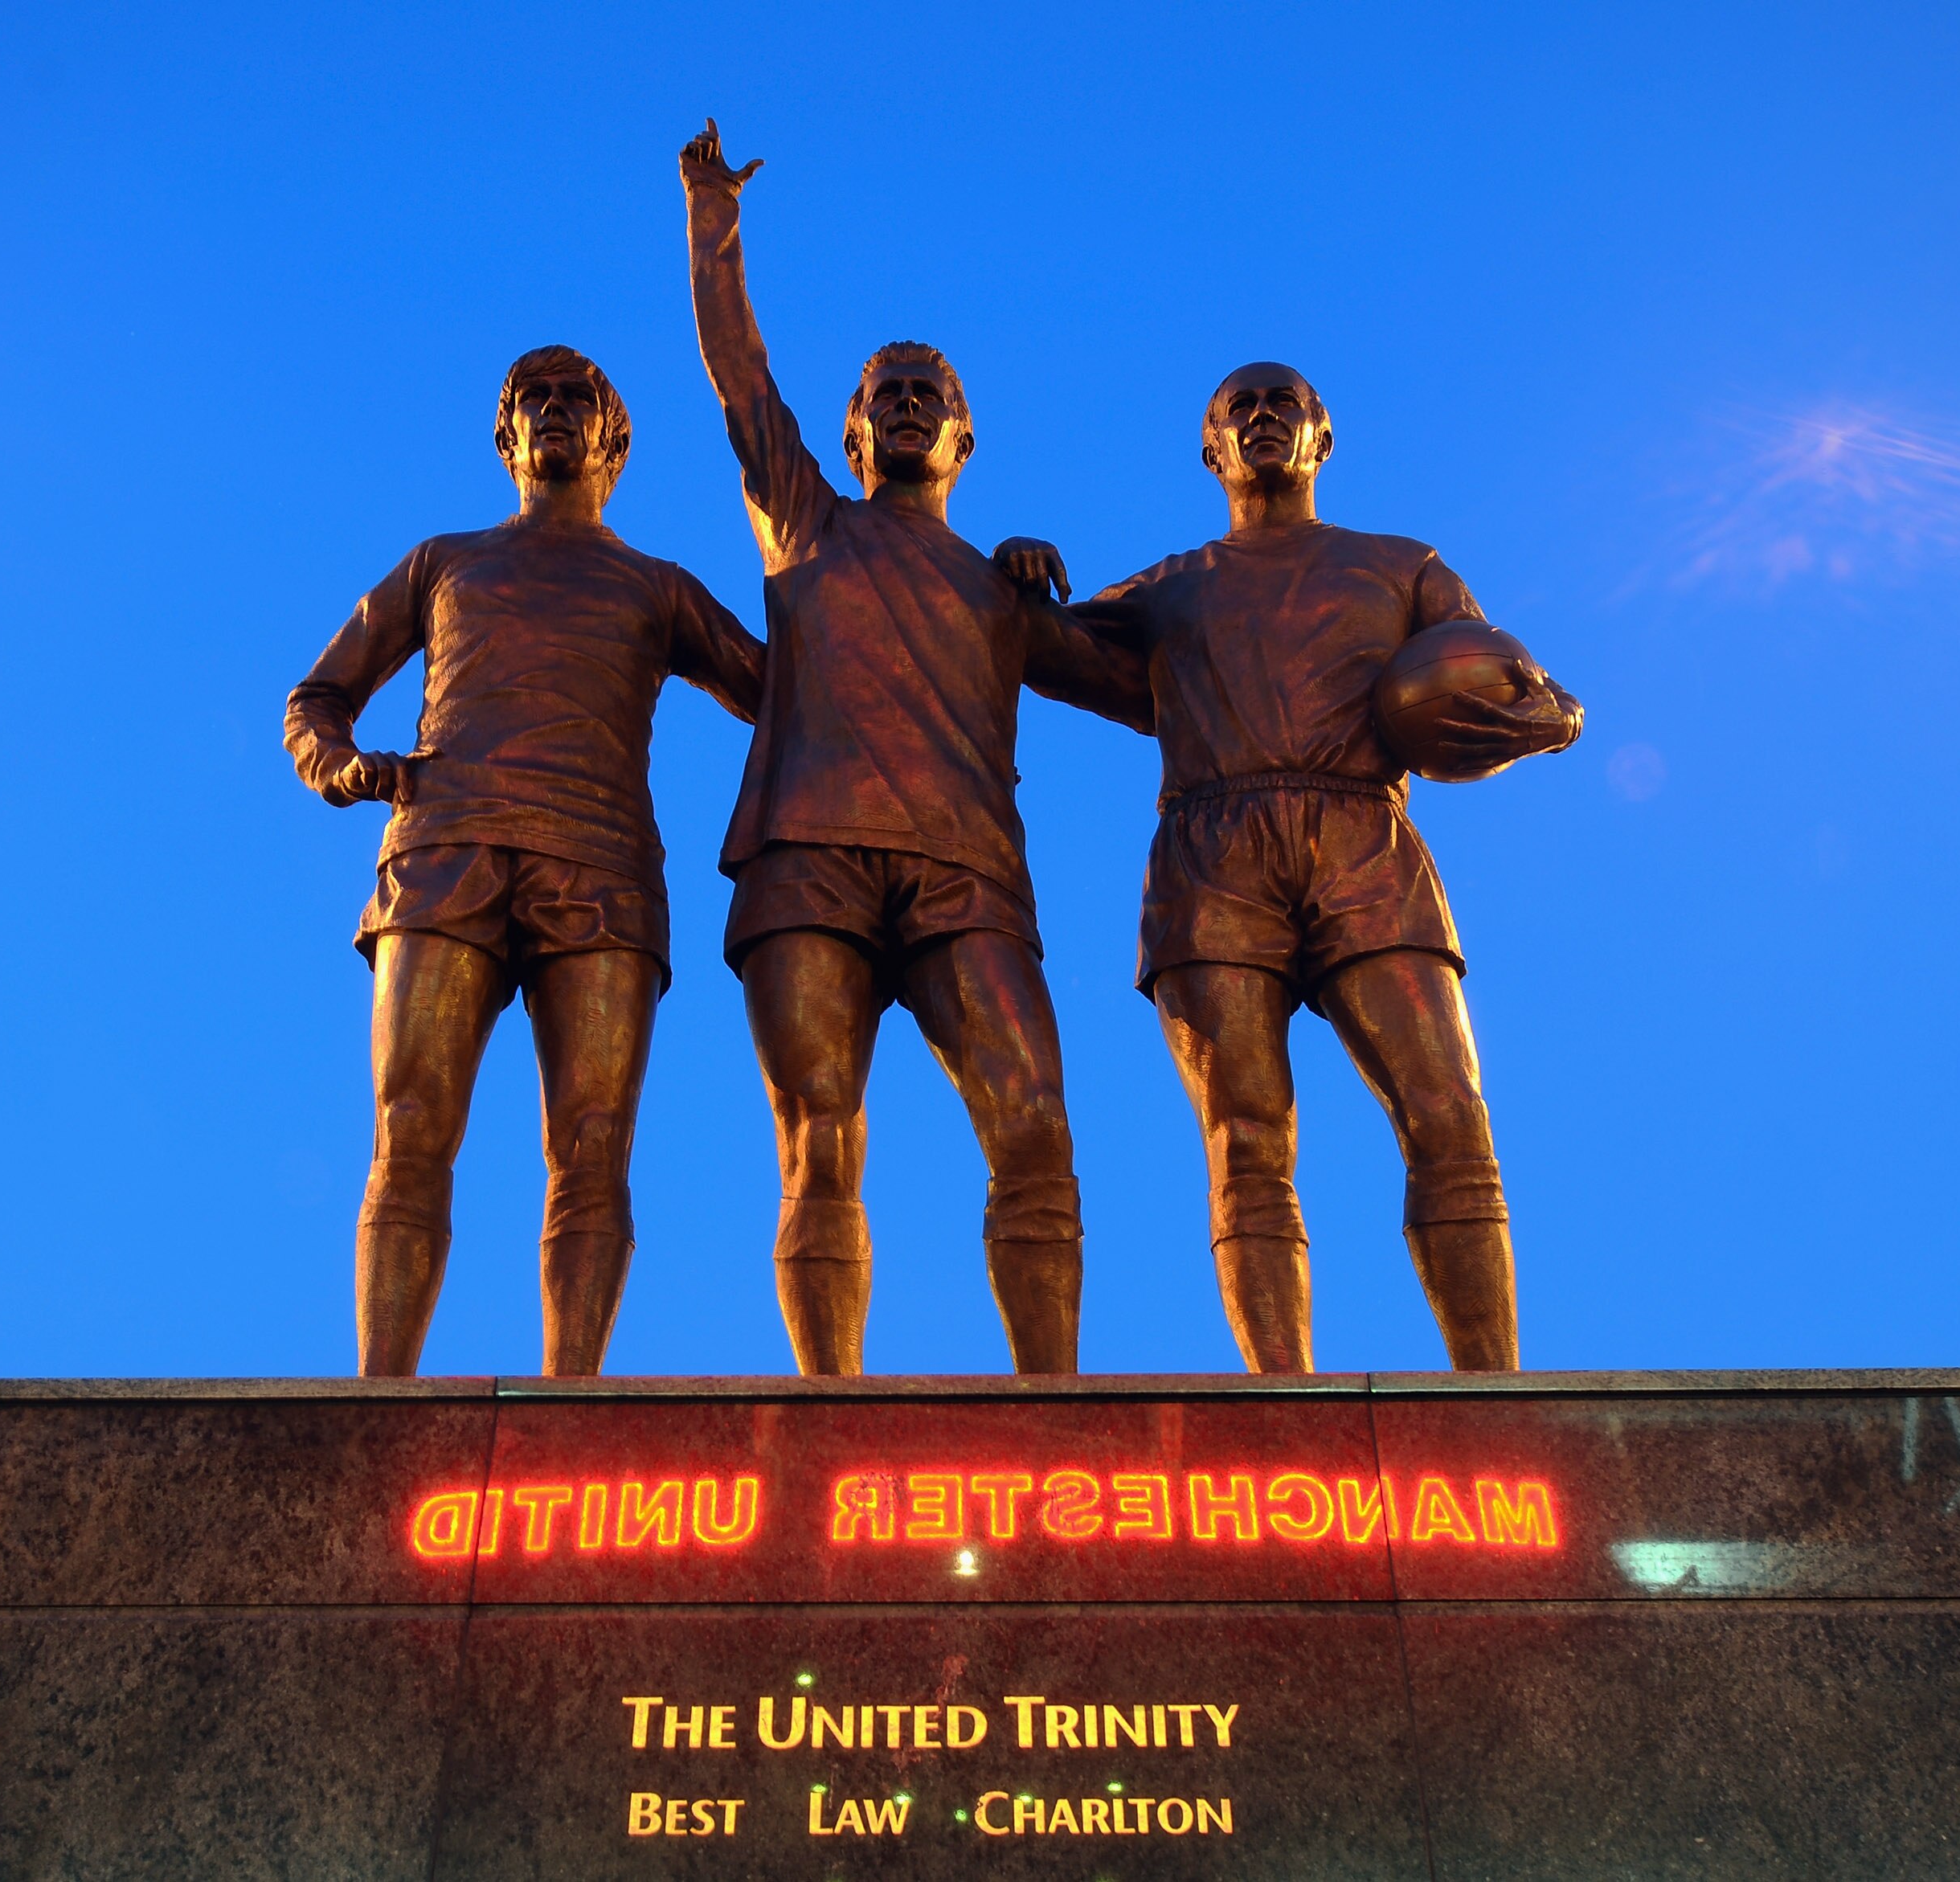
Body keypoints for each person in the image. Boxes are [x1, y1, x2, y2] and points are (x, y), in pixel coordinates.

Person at [678, 120, 1148, 1374]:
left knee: (1035, 1126)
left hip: (964, 873)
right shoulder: (806, 524)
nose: (901, 405)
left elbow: (1153, 690)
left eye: (924, 394)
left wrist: (1078, 602)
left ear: (961, 439)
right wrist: (715, 224)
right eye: (882, 391)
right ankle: (831, 1406)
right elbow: (739, 378)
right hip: (808, 859)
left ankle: (1051, 1407)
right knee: (819, 1137)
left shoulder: (1003, 595)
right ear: (848, 434)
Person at [1003, 362, 1580, 1372]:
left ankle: (1496, 1390)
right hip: (1212, 853)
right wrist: (1008, 574)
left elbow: (1521, 685)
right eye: (1239, 410)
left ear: (1321, 438)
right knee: (1245, 1137)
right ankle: (1282, 1396)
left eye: (1284, 406)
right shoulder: (1169, 587)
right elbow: (1035, 642)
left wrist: (1543, 719)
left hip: (1362, 833)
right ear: (1210, 450)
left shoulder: (1403, 567)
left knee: (1446, 1110)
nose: (1262, 419)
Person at [284, 345, 764, 1377]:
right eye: (533, 399)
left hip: (598, 868)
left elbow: (780, 690)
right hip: (444, 849)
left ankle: (569, 1403)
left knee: (592, 1147)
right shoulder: (444, 562)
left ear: (613, 438)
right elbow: (315, 698)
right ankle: (379, 1395)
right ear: (506, 437)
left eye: (575, 398)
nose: (553, 412)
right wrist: (345, 768)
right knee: (410, 1127)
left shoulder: (655, 587)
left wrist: (875, 590)